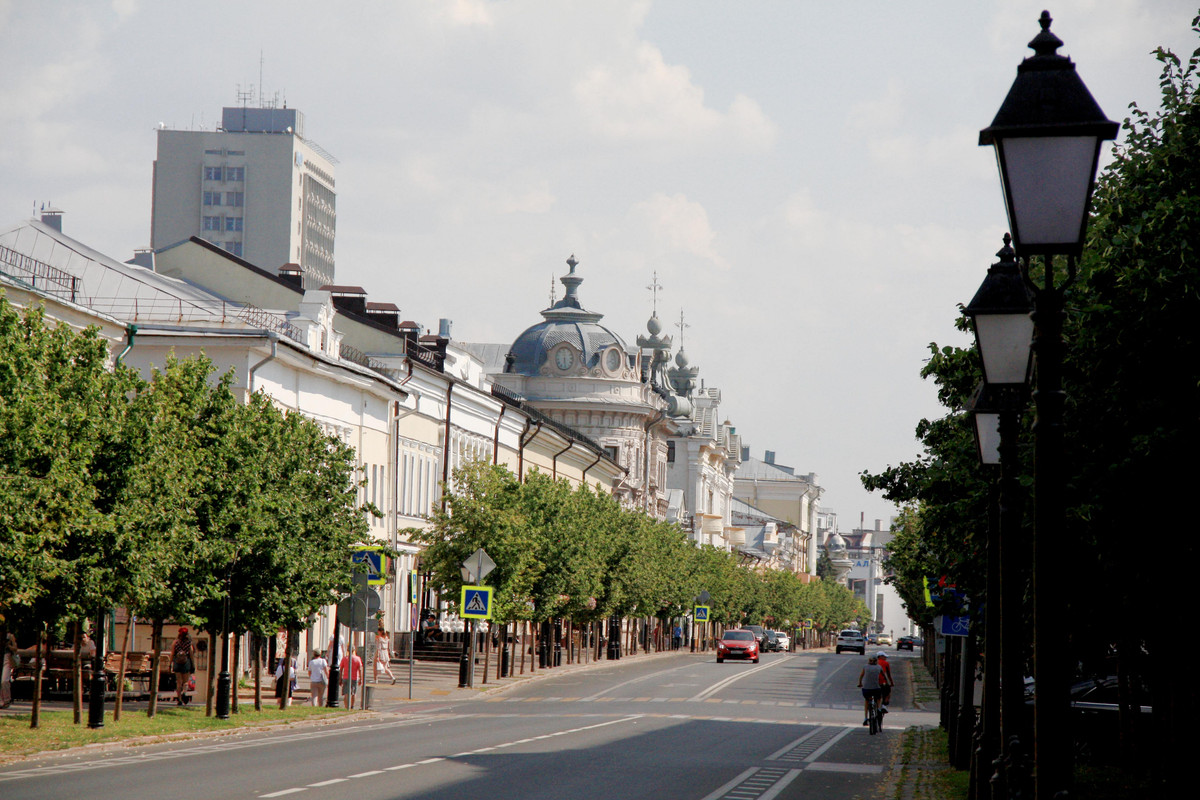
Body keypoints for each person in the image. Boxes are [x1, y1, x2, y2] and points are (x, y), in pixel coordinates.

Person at [857, 654, 886, 725]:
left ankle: (865, 718)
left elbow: (861, 676)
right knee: (879, 698)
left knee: (867, 700)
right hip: (876, 688)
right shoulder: (879, 667)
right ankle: (879, 709)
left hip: (866, 689)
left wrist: (860, 683)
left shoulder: (865, 667)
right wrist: (887, 683)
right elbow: (884, 676)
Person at [171, 627, 195, 706]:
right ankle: (184, 692)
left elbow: (172, 654)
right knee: (185, 682)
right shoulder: (189, 643)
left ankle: (179, 699)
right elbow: (191, 655)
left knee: (178, 682)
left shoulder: (175, 642)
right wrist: (193, 665)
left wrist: (170, 663)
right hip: (186, 663)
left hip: (177, 663)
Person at [1, 632, 18, 708]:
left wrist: (8, 645)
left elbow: (15, 649)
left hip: (6, 659)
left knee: (4, 681)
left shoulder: (9, 635)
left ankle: (6, 700)